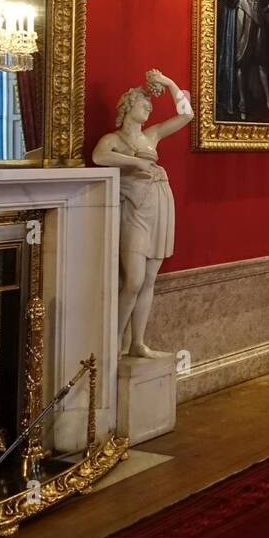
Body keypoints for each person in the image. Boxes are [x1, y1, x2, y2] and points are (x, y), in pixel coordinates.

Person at [92, 70, 192, 358]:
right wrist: (136, 163)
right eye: (143, 103)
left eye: (150, 104)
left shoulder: (152, 135)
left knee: (149, 280)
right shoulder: (113, 139)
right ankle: (113, 342)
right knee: (133, 280)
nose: (149, 107)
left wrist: (170, 83)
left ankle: (137, 343)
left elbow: (186, 116)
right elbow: (99, 157)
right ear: (127, 107)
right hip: (134, 211)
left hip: (159, 206)